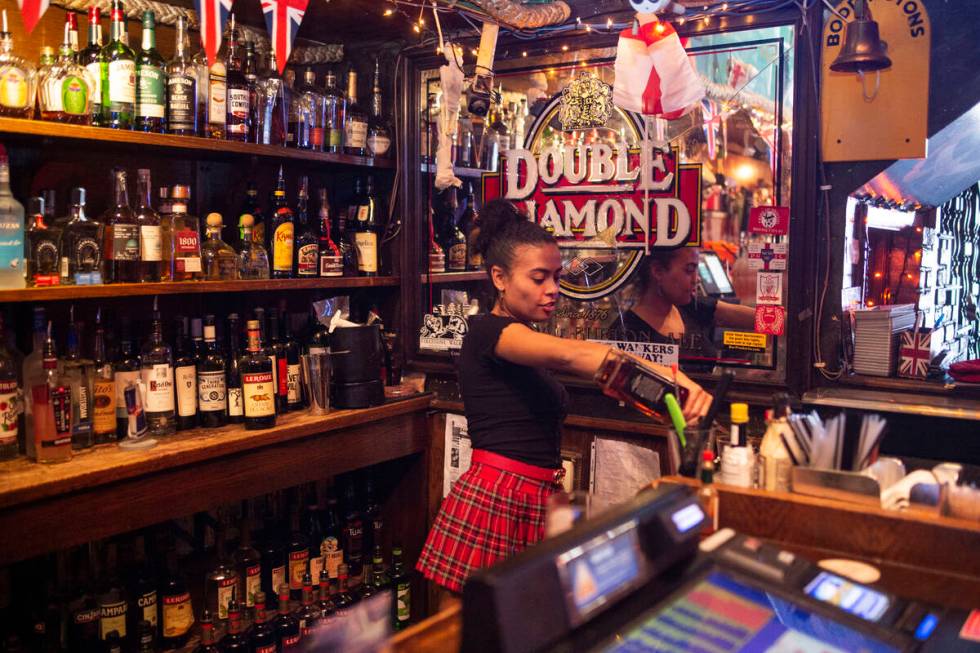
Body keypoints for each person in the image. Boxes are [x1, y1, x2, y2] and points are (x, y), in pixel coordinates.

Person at [415, 200, 711, 606]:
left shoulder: (521, 334)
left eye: (555, 276)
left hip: (534, 495)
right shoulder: (488, 331)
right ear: (499, 277)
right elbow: (576, 355)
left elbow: (587, 359)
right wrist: (675, 382)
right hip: (498, 497)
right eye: (539, 278)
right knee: (468, 635)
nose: (552, 289)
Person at [615, 247, 756, 367]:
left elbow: (761, 319)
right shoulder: (625, 330)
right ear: (657, 271)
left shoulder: (691, 306)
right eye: (689, 270)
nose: (697, 279)